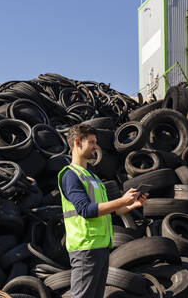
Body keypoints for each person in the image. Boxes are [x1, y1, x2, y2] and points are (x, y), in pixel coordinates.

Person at [57, 124, 148, 298]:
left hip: (100, 248)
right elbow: (85, 210)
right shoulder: (70, 175)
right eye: (91, 142)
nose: (95, 146)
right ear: (77, 143)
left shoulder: (92, 177)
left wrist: (129, 206)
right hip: (85, 249)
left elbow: (107, 210)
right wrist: (121, 200)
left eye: (96, 142)